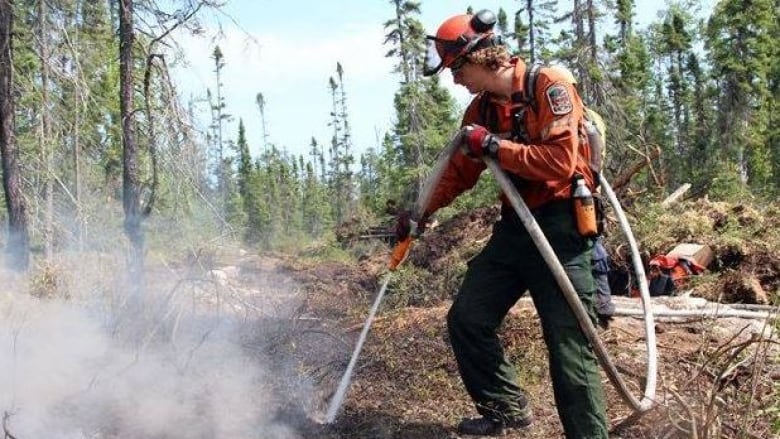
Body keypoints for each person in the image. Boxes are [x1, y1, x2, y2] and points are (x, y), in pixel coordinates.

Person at [396, 9, 609, 438]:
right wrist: (419, 213)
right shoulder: (480, 110)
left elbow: (558, 162)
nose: (455, 80)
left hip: (563, 228)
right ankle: (505, 410)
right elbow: (457, 171)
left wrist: (494, 145)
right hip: (516, 230)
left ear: (481, 57)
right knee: (468, 318)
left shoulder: (549, 86)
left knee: (570, 351)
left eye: (456, 68)